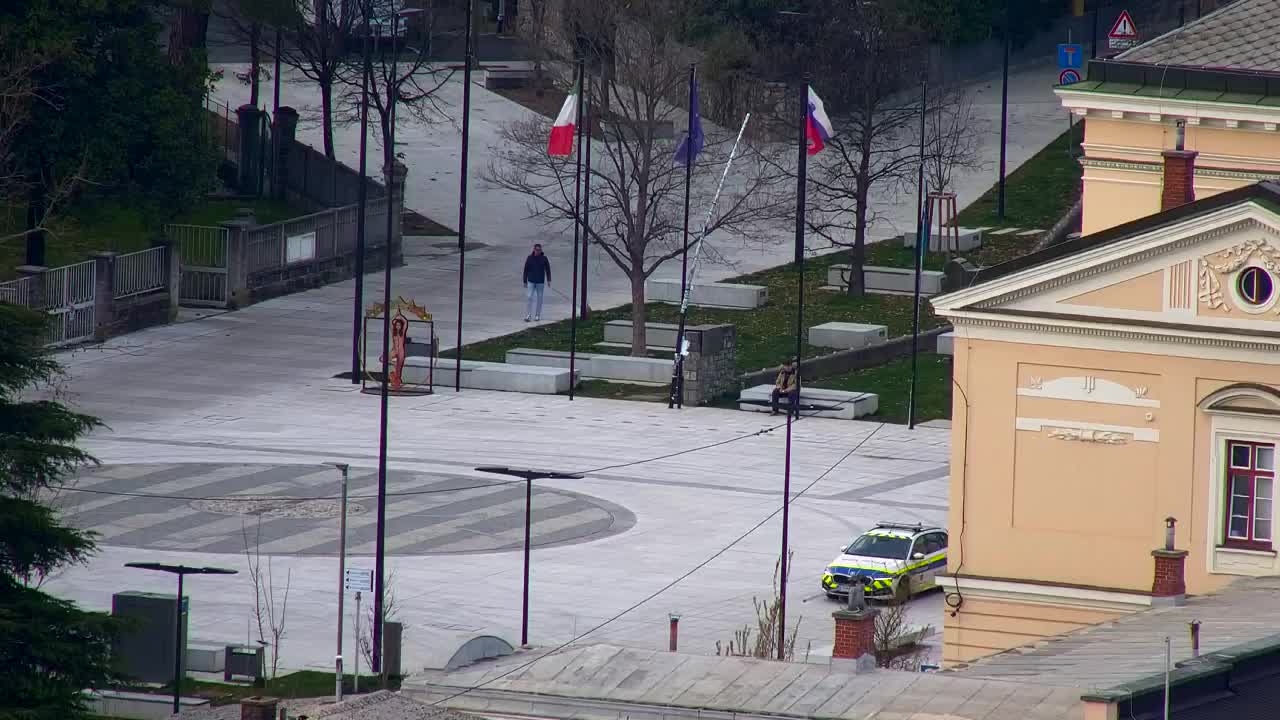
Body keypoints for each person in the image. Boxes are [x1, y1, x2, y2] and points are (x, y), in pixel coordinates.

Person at [522, 244, 551, 322]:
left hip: (540, 282)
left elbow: (548, 269)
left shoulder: (544, 259)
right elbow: (525, 270)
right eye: (537, 250)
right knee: (529, 297)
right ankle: (528, 315)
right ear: (534, 250)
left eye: (539, 250)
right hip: (531, 281)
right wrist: (525, 281)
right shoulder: (529, 258)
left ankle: (537, 315)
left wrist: (549, 280)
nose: (538, 251)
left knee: (540, 298)